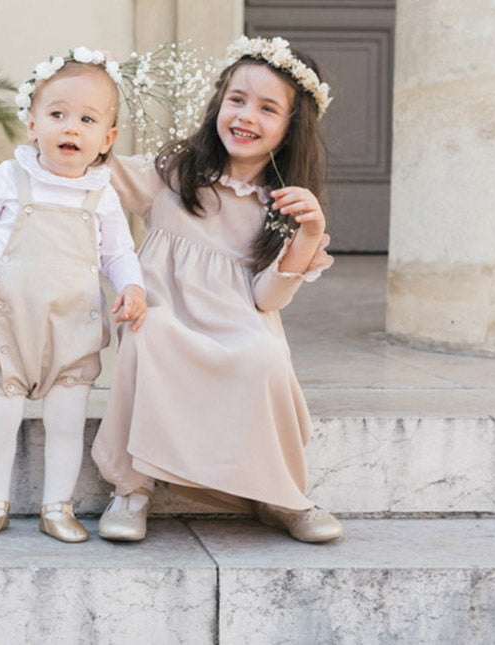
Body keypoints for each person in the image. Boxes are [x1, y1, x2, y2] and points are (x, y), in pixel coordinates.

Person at [91, 36, 343, 544]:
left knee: (264, 356)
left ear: (291, 127)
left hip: (238, 321)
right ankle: (133, 487)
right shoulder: (175, 174)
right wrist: (92, 105)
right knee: (148, 332)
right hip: (163, 311)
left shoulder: (283, 205)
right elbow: (103, 171)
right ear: (218, 104)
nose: (246, 115)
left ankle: (283, 494)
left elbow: (266, 300)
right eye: (237, 99)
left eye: (268, 108)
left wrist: (308, 236)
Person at [0, 46, 147, 543]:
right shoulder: (10, 178)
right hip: (9, 323)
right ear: (31, 124)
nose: (71, 128)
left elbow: (118, 253)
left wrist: (131, 286)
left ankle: (56, 506)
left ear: (106, 139)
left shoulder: (101, 194)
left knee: (66, 421)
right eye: (58, 115)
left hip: (73, 326)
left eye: (87, 119)